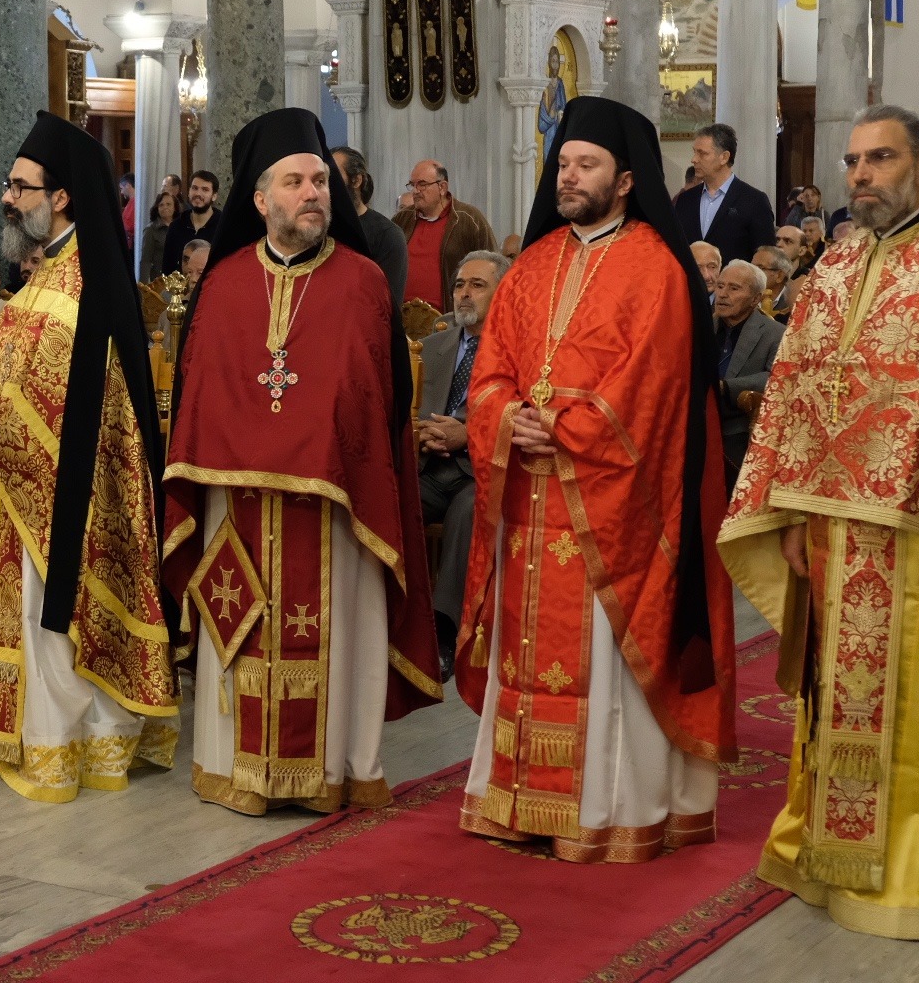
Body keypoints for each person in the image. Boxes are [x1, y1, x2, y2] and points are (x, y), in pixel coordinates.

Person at [720, 104, 919, 942]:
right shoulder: (833, 266)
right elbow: (793, 397)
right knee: (832, 707)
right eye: (854, 161)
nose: (862, 175)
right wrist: (788, 514)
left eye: (881, 159)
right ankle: (825, 858)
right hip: (831, 538)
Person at [456, 94, 737, 862]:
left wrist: (564, 428)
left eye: (587, 165)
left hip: (609, 506)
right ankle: (519, 801)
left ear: (625, 180)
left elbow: (652, 387)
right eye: (564, 164)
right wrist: (506, 415)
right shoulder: (530, 266)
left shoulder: (656, 268)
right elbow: (491, 369)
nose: (569, 177)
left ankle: (605, 810)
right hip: (528, 495)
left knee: (602, 664)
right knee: (527, 654)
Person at [162, 107, 443, 815]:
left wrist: (317, 449)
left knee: (336, 633)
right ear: (260, 201)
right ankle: (235, 769)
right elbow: (200, 402)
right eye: (295, 182)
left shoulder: (363, 283)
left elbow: (376, 407)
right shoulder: (224, 284)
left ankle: (333, 771)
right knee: (238, 627)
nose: (314, 193)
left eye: (320, 181)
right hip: (237, 511)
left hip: (337, 511)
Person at [0, 112, 177, 802]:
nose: (7, 198)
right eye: (8, 185)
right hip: (22, 481)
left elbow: (94, 399)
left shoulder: (92, 280)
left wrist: (2, 436)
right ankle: (36, 736)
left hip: (74, 491)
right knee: (27, 614)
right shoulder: (42, 276)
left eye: (20, 187)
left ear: (59, 198)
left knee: (60, 616)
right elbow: (4, 367)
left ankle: (72, 743)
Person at [418, 250, 510, 679]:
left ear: (502, 292)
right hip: (428, 465)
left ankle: (443, 632)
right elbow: (403, 407)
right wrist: (421, 432)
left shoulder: (517, 349)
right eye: (459, 285)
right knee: (386, 499)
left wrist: (467, 435)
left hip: (483, 471)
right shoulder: (430, 346)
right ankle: (390, 616)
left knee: (470, 511)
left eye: (477, 285)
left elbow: (520, 414)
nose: (465, 294)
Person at [712, 259, 783, 487]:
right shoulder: (702, 326)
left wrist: (726, 387)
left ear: (755, 299)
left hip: (738, 428)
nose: (723, 294)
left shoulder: (775, 333)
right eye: (720, 286)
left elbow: (777, 377)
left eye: (734, 288)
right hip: (696, 420)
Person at [395, 159, 495, 311]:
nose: (415, 191)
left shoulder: (469, 219)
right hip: (402, 316)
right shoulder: (402, 219)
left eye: (422, 184)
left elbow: (492, 267)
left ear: (442, 187)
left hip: (450, 317)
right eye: (412, 185)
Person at [674, 123, 775, 265]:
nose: (694, 159)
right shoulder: (686, 199)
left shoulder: (754, 201)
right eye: (694, 152)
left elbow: (765, 258)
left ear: (724, 157)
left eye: (702, 153)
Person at [333, 145, 409, 304]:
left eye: (334, 176)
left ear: (356, 180)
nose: (327, 185)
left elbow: (385, 303)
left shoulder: (388, 235)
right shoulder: (318, 230)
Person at [163, 170, 223, 275]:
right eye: (195, 188)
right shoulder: (176, 226)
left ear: (214, 196)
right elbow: (167, 268)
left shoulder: (223, 227)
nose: (198, 194)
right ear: (189, 191)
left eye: (205, 190)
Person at [138, 185, 181, 282]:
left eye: (168, 204)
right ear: (157, 208)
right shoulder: (151, 230)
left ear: (175, 207)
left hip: (179, 280)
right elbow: (145, 260)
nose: (165, 207)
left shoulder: (181, 227)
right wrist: (143, 286)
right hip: (160, 281)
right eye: (161, 205)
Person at [752, 245, 796, 321]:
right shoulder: (745, 298)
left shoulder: (791, 304)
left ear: (779, 276)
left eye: (760, 268)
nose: (752, 273)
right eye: (751, 267)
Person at [119, 170, 138, 253]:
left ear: (128, 185)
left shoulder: (136, 202)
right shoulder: (131, 202)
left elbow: (130, 226)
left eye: (121, 188)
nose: (121, 192)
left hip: (132, 246)